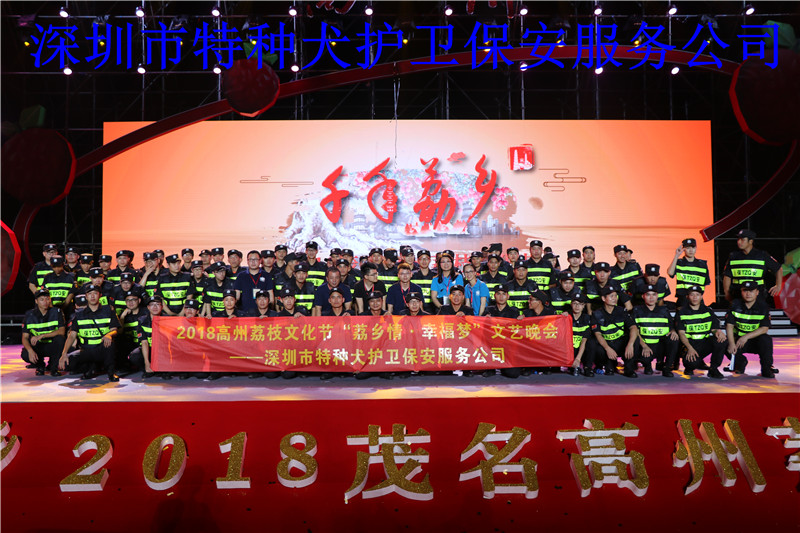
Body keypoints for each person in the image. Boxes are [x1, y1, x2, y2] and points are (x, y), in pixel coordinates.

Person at [58, 284, 121, 382]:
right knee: (66, 364)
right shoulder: (79, 314)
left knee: (110, 344)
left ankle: (111, 372)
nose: (92, 296)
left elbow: (114, 329)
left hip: (102, 348)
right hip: (86, 349)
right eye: (90, 294)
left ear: (100, 295)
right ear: (86, 296)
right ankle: (90, 368)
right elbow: (72, 335)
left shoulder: (109, 310)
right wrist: (64, 354)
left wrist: (109, 334)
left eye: (95, 293)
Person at [725, 280, 775, 378]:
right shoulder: (734, 305)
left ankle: (766, 369)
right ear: (741, 292)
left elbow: (764, 328)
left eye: (751, 291)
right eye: (745, 290)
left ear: (757, 292)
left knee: (766, 340)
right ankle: (740, 363)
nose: (748, 294)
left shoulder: (763, 306)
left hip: (755, 340)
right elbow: (729, 326)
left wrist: (746, 337)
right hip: (738, 340)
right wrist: (731, 343)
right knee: (723, 343)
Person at [674, 285, 726, 379]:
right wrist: (689, 348)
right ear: (687, 297)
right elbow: (681, 334)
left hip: (703, 343)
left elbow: (714, 328)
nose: (695, 297)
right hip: (689, 345)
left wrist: (718, 332)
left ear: (701, 297)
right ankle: (689, 367)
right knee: (692, 364)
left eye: (697, 295)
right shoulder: (682, 312)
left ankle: (713, 369)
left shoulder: (708, 311)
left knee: (721, 340)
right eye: (692, 295)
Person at [631, 284, 678, 377]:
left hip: (659, 345)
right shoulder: (637, 310)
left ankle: (667, 368)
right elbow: (634, 331)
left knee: (674, 339)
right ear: (643, 296)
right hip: (644, 345)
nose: (651, 297)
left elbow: (671, 326)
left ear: (657, 296)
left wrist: (673, 331)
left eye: (654, 294)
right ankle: (647, 365)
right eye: (648, 295)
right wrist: (644, 346)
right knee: (644, 356)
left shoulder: (664, 310)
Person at [591, 285, 639, 378]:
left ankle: (629, 368)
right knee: (597, 347)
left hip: (619, 343)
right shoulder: (596, 314)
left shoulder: (621, 311)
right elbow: (598, 334)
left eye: (616, 296)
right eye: (611, 296)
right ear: (603, 298)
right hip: (607, 344)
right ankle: (609, 365)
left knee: (635, 340)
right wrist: (607, 348)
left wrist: (630, 344)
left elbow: (633, 327)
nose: (614, 298)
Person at [722, 228, 782, 302]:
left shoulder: (762, 255)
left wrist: (778, 285)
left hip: (757, 296)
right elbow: (727, 276)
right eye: (738, 239)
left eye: (742, 240)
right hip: (737, 295)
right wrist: (726, 292)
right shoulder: (733, 256)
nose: (739, 242)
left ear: (750, 241)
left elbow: (778, 268)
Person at [21, 289, 66, 376]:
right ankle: (40, 366)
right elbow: (24, 337)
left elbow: (62, 331)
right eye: (42, 299)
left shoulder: (57, 312)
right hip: (38, 346)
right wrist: (30, 350)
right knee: (25, 354)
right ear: (36, 301)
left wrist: (42, 335)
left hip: (52, 345)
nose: (45, 302)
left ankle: (53, 367)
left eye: (47, 299)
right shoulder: (29, 315)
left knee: (60, 339)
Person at [667, 238, 711, 308]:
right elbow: (670, 273)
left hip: (698, 300)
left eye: (693, 247)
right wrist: (676, 255)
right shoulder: (679, 262)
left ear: (696, 248)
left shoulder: (702, 264)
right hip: (683, 300)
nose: (691, 250)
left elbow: (705, 283)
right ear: (683, 249)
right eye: (688, 248)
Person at [130, 295, 163, 379]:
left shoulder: (168, 320)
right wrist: (147, 363)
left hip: (163, 350)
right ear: (148, 307)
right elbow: (144, 342)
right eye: (152, 304)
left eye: (157, 304)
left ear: (162, 307)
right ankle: (147, 369)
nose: (155, 307)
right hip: (149, 349)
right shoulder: (142, 320)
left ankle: (163, 370)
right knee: (134, 356)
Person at [117, 289, 147, 373]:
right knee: (118, 340)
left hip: (145, 344)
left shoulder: (146, 312)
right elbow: (119, 331)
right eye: (128, 300)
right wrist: (122, 317)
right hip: (132, 344)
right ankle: (125, 366)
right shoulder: (123, 315)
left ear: (139, 300)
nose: (130, 302)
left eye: (133, 299)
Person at [567, 293, 593, 376]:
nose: (577, 306)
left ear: (584, 306)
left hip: (581, 347)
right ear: (571, 304)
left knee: (591, 343)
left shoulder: (587, 318)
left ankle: (587, 367)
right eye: (575, 303)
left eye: (580, 304)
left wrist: (578, 359)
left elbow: (584, 340)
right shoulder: (566, 317)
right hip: (569, 347)